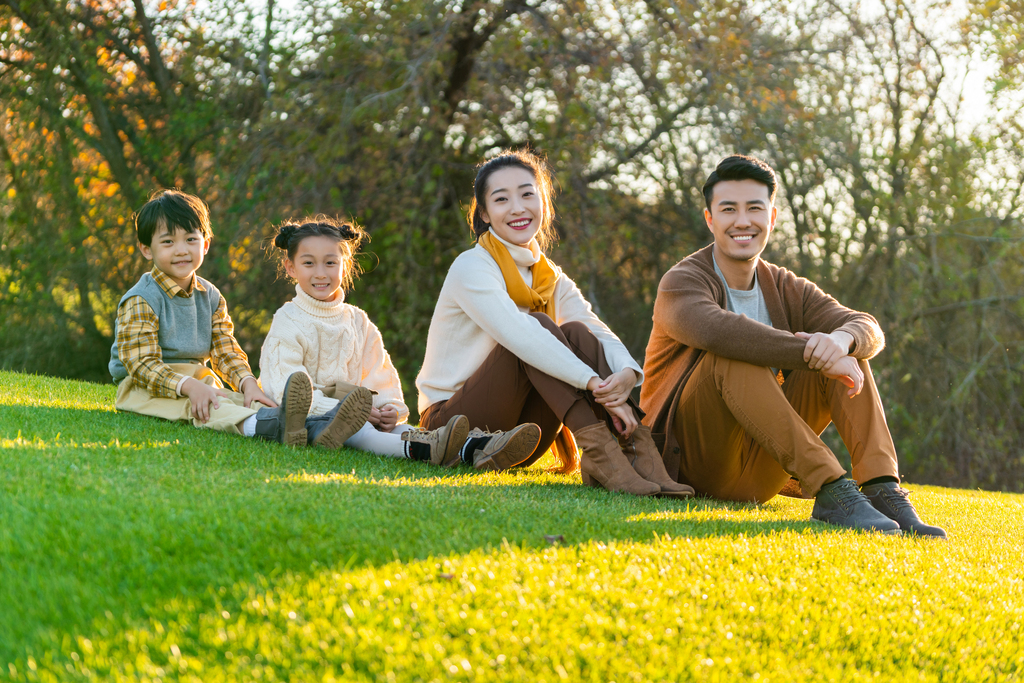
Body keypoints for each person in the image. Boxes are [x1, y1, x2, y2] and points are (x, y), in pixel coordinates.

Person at [640, 154, 946, 536]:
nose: (742, 221)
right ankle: (833, 489)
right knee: (733, 356)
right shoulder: (682, 281)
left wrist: (839, 340)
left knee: (845, 352)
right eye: (728, 209)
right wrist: (810, 352)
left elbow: (867, 326)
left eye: (754, 208)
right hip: (689, 463)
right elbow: (717, 332)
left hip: (759, 472)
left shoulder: (785, 286)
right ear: (710, 219)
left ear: (771, 218)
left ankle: (883, 489)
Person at [416, 149, 693, 498]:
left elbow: (591, 325)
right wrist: (594, 384)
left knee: (576, 332)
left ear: (543, 202)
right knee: (538, 326)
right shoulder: (472, 267)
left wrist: (624, 373)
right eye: (502, 199)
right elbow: (520, 335)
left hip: (521, 433)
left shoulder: (547, 274)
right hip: (454, 426)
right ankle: (603, 455)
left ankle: (636, 450)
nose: (518, 208)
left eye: (527, 194)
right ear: (484, 214)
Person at [259, 217, 530, 467]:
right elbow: (284, 387)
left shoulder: (357, 320)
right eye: (309, 263)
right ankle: (425, 451)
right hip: (316, 418)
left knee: (403, 429)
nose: (320, 273)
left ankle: (482, 447)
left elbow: (380, 373)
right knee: (360, 430)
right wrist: (352, 412)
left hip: (360, 410)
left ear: (345, 265)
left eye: (330, 263)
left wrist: (389, 409)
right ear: (291, 268)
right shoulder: (288, 319)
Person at [109, 189, 352, 447]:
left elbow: (225, 350)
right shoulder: (142, 299)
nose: (181, 250)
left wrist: (248, 384)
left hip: (198, 380)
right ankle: (273, 427)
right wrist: (190, 386)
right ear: (147, 250)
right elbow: (142, 364)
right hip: (144, 388)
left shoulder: (210, 295)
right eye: (168, 242)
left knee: (239, 400)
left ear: (205, 244)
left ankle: (318, 425)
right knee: (212, 409)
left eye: (190, 239)